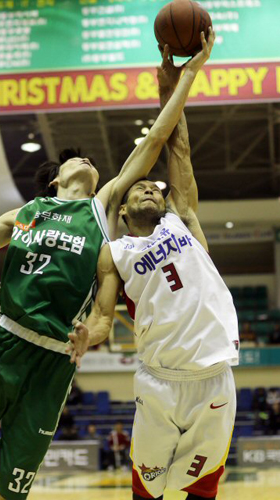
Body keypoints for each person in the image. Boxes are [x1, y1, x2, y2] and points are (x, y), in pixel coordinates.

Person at [0, 33, 202, 500]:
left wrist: (186, 76)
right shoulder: (25, 213)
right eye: (74, 160)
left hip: (54, 359)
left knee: (14, 487)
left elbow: (157, 142)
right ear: (54, 180)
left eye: (90, 160)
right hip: (4, 343)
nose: (88, 160)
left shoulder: (102, 207)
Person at [69, 30, 238, 500]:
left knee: (202, 489)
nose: (150, 189)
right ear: (121, 212)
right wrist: (88, 335)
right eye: (140, 188)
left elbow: (177, 148)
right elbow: (103, 318)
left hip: (213, 375)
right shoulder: (115, 253)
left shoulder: (183, 222)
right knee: (146, 489)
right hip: (157, 380)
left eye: (155, 189)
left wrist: (177, 80)